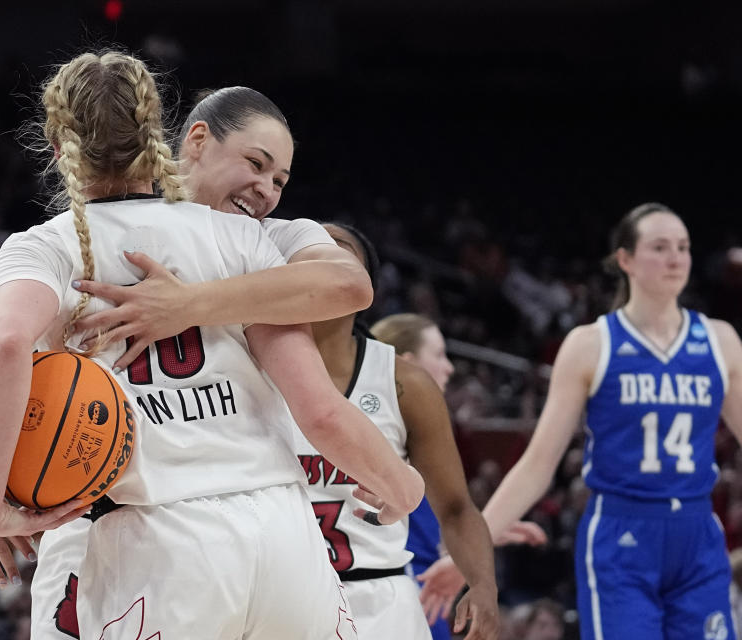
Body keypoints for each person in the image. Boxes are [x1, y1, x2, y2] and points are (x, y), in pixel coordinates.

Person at [0, 50, 425, 639]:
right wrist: (401, 483)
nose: (268, 189)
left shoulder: (44, 249)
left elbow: (3, 347)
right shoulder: (245, 241)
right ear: (165, 138)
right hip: (285, 537)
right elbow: (321, 411)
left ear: (58, 150)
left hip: (160, 541)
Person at [419, 203, 742, 640]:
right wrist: (471, 554)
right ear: (625, 259)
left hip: (697, 531)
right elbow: (537, 465)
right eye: (660, 247)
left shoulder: (720, 341)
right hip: (621, 533)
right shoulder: (591, 345)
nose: (676, 258)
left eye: (683, 247)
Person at [299, 223, 499, 640]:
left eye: (338, 250)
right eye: (306, 245)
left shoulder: (403, 383)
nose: (320, 254)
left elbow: (457, 507)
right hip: (278, 598)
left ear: (364, 286)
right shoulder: (244, 367)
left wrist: (482, 583)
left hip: (378, 597)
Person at [370, 312, 546, 639]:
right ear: (408, 364)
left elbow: (425, 530)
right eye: (438, 355)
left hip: (419, 586)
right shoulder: (387, 432)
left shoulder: (414, 431)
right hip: (397, 589)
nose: (450, 367)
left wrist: (486, 533)